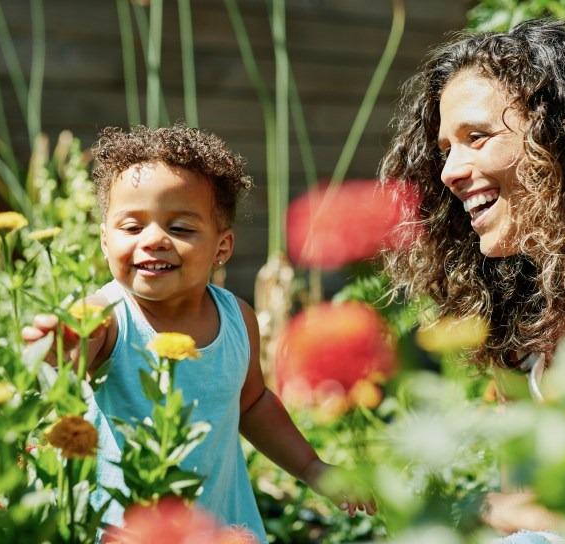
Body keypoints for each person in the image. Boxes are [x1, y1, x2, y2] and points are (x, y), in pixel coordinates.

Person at [22, 123, 375, 543]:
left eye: (181, 228)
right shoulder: (108, 315)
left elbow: (254, 405)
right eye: (132, 227)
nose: (153, 240)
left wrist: (313, 468)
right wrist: (65, 344)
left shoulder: (236, 318)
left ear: (221, 248)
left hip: (220, 522)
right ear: (104, 240)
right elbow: (80, 343)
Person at [378, 17, 565, 544]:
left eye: (477, 138)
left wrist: (525, 517)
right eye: (445, 149)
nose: (449, 172)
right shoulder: (522, 317)